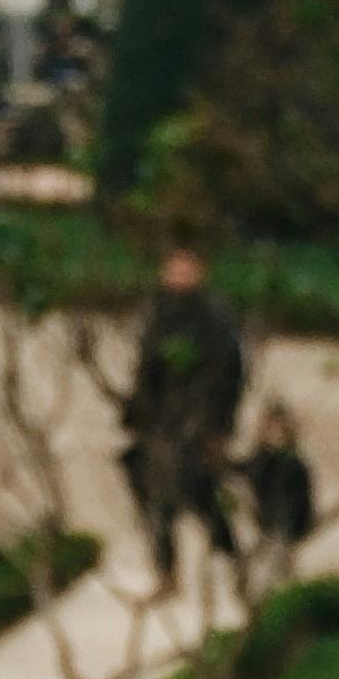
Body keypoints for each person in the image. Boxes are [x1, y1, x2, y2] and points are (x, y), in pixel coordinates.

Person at [122, 245, 249, 587]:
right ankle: (166, 570)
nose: (178, 275)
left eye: (185, 268)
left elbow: (230, 374)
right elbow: (147, 367)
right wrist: (137, 411)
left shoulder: (215, 317)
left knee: (201, 491)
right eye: (173, 268)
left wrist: (219, 425)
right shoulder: (158, 312)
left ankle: (231, 561)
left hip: (199, 419)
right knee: (152, 492)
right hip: (160, 420)